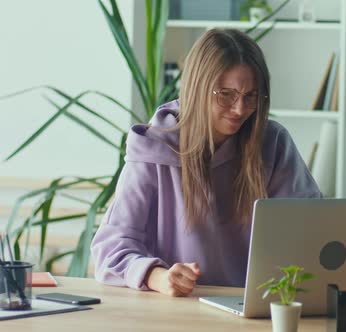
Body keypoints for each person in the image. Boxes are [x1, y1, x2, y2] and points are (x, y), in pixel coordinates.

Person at [91, 29, 321, 297]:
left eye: (251, 96)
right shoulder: (153, 147)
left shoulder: (273, 143)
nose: (240, 109)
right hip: (177, 310)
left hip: (253, 307)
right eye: (226, 94)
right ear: (197, 88)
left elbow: (309, 231)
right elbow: (110, 250)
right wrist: (158, 276)